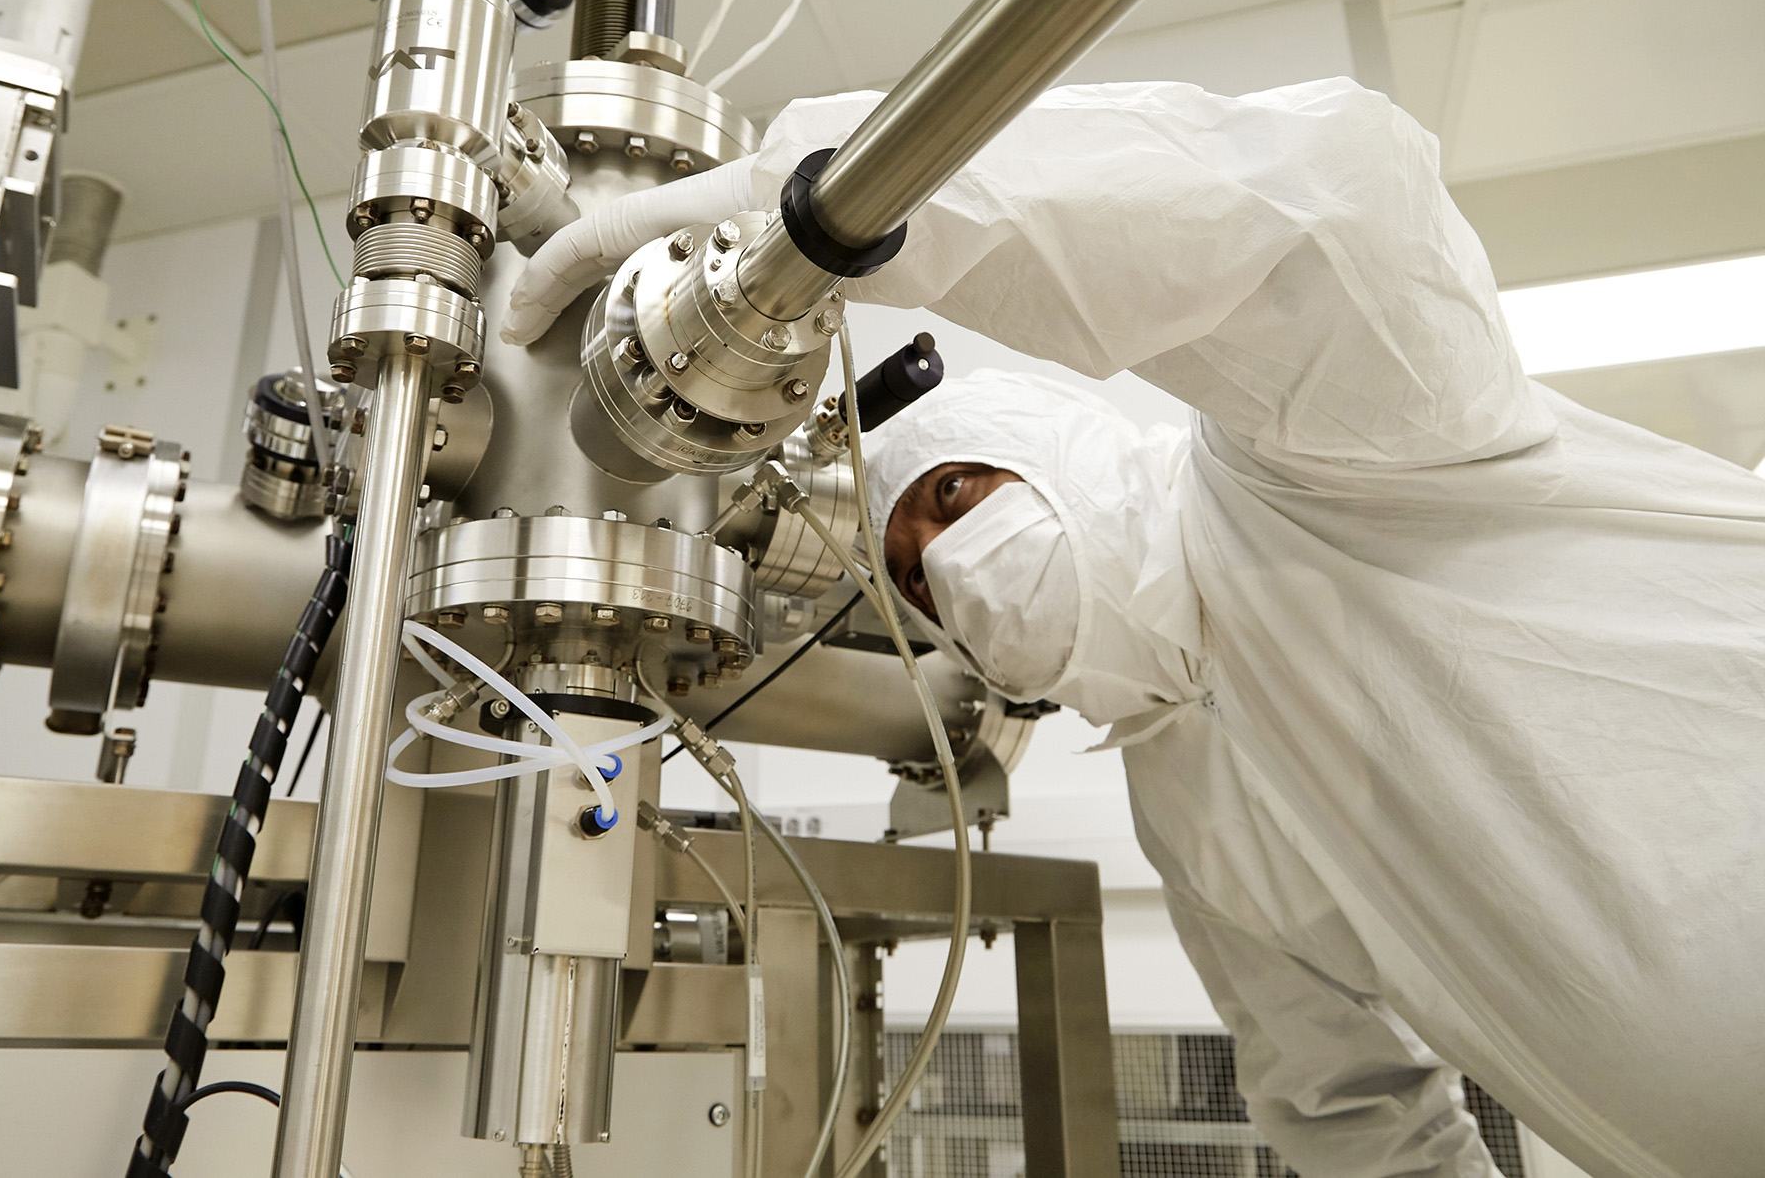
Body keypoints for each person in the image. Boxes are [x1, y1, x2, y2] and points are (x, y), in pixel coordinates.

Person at [502, 78, 1765, 1178]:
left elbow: (1332, 201)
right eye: (917, 584)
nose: (952, 567)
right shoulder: (1190, 810)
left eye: (956, 497)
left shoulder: (1318, 474)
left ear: (1067, 455)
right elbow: (1344, 1105)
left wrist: (803, 218)